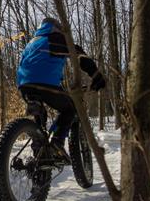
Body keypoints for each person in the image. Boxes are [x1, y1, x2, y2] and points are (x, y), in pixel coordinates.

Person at [16, 17, 106, 161]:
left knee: (40, 119)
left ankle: (40, 154)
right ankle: (57, 142)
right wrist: (96, 76)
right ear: (57, 29)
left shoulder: (32, 43)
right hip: (45, 84)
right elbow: (80, 55)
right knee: (70, 108)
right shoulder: (54, 39)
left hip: (24, 85)